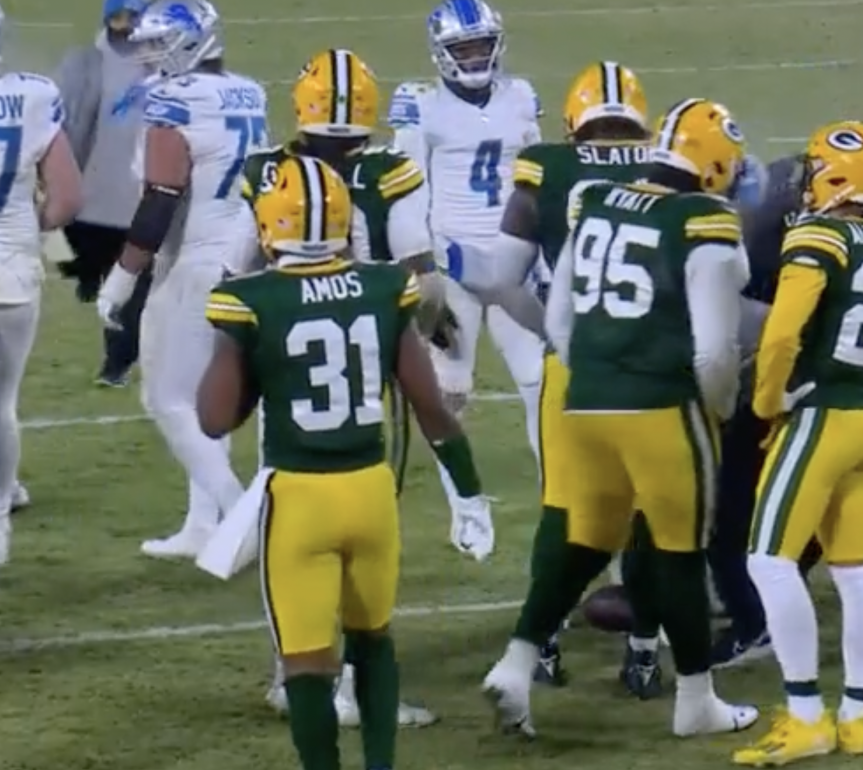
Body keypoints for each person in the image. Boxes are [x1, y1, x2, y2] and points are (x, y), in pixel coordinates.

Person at [482, 97, 758, 739]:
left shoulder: (598, 201)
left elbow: (557, 319)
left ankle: (517, 661)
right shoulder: (704, 221)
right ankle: (696, 701)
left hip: (585, 400)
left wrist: (595, 375)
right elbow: (715, 350)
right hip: (660, 406)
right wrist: (718, 406)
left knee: (586, 539)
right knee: (680, 552)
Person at [197, 153, 483, 770]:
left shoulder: (246, 299)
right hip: (371, 494)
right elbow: (430, 405)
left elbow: (215, 418)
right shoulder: (384, 286)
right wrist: (469, 492)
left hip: (299, 499)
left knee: (304, 663)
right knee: (373, 640)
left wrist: (243, 356)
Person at [240, 48, 477, 729]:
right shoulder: (388, 169)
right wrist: (433, 333)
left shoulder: (268, 171)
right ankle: (348, 683)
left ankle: (295, 672)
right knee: (365, 532)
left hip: (288, 362)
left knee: (286, 524)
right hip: (369, 357)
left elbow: (234, 271)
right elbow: (422, 280)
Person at [455, 60, 666, 695]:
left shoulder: (545, 167)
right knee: (650, 510)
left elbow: (497, 281)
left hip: (575, 370)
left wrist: (554, 331)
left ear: (574, 121)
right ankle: (645, 650)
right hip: (654, 370)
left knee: (563, 509)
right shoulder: (669, 166)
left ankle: (541, 642)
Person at [732, 121, 863, 765]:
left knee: (768, 560)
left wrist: (767, 405)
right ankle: (855, 717)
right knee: (850, 570)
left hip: (818, 419)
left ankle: (805, 715)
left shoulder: (817, 236)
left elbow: (782, 337)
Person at [96, 0, 265, 560]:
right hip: (244, 252)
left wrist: (122, 277)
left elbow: (162, 197)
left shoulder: (172, 99)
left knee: (167, 399)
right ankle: (201, 523)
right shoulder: (247, 90)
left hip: (197, 261)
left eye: (159, 42)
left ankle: (245, 519)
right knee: (202, 393)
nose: (147, 54)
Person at [388, 0, 546, 558]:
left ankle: (560, 495)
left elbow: (536, 178)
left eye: (482, 45)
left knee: (538, 382)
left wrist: (543, 251)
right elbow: (405, 187)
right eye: (464, 48)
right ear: (442, 54)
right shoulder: (419, 104)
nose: (475, 56)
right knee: (448, 392)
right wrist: (419, 261)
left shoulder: (522, 96)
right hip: (452, 266)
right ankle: (466, 505)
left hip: (511, 261)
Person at [0, 0, 84, 593]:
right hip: (16, 270)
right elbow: (68, 199)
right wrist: (26, 228)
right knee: (2, 406)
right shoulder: (33, 95)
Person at [54, 0, 152, 387]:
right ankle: (82, 273)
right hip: (86, 199)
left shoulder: (164, 70)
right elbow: (61, 123)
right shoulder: (85, 63)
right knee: (55, 245)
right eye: (118, 19)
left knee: (128, 291)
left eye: (132, 19)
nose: (125, 29)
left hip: (135, 204)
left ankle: (116, 365)